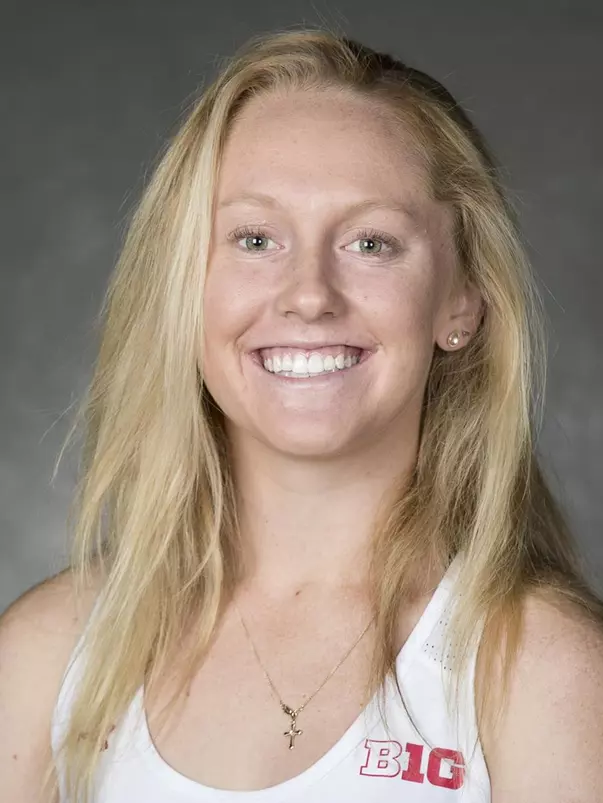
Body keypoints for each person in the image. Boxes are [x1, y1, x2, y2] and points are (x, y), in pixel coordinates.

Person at [1, 26, 602, 803]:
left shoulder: (547, 677)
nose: (309, 294)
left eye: (371, 242)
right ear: (186, 286)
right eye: (255, 238)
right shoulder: (48, 656)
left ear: (460, 300)